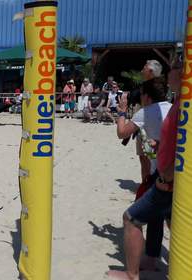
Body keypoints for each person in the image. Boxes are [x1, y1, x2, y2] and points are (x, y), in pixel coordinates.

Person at [107, 75, 174, 280]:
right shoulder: (172, 108)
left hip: (162, 173)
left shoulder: (146, 111)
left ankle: (131, 274)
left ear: (146, 96)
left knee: (132, 218)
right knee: (160, 217)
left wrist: (121, 111)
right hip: (173, 171)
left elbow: (122, 132)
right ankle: (152, 259)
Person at [136, 60, 163, 184]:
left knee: (150, 157)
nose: (142, 69)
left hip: (150, 126)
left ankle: (149, 185)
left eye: (144, 66)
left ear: (150, 71)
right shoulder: (147, 85)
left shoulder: (156, 86)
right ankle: (145, 184)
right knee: (144, 157)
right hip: (144, 123)